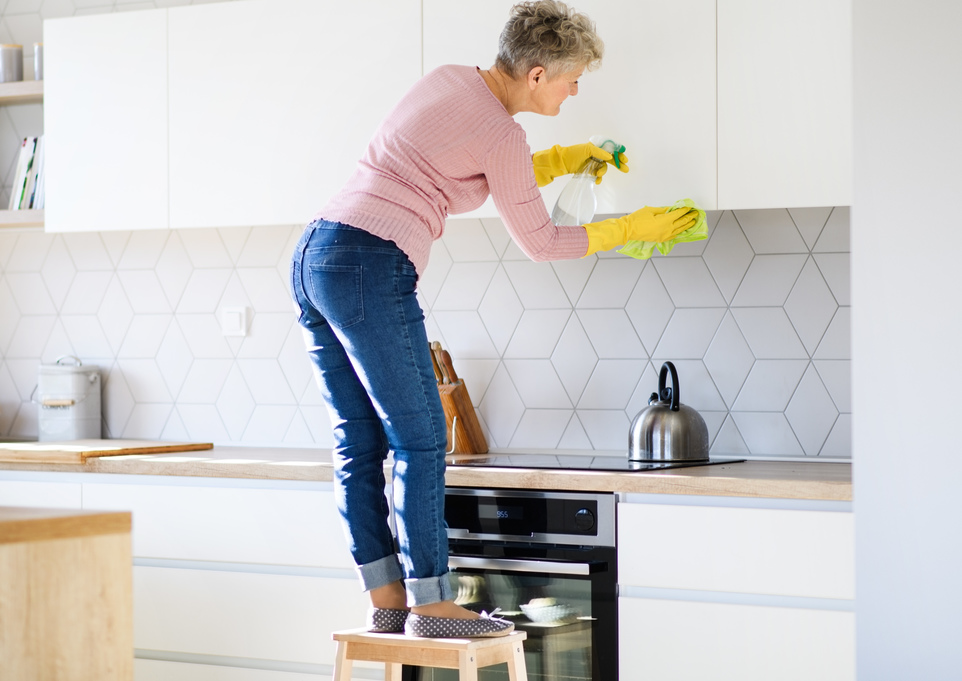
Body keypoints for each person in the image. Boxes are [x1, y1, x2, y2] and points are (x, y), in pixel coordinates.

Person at [290, 0, 696, 639]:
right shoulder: (503, 133)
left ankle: (388, 600)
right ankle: (431, 607)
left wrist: (560, 161)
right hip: (371, 261)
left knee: (359, 441)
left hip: (318, 253)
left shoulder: (450, 81)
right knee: (422, 438)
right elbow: (542, 242)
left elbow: (477, 171)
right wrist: (629, 229)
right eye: (571, 79)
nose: (574, 91)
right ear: (537, 74)